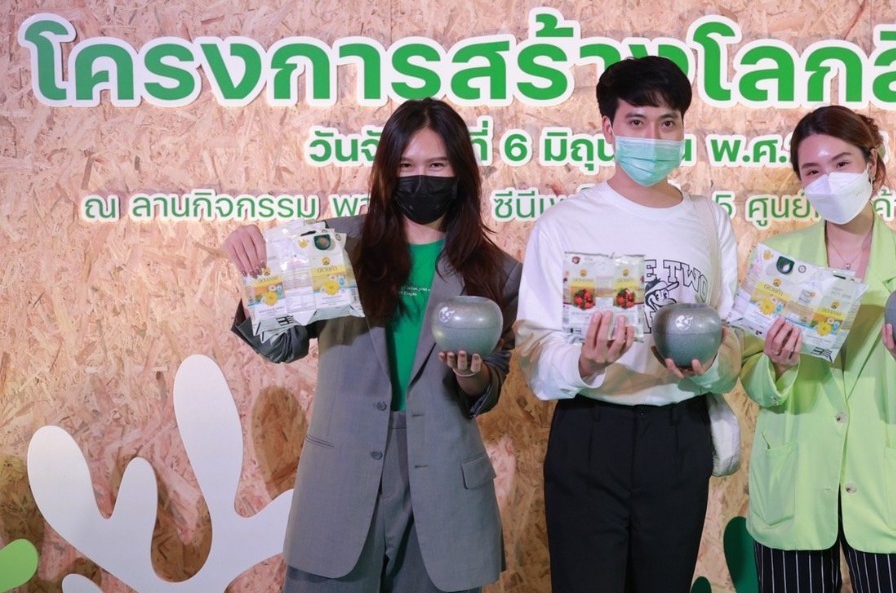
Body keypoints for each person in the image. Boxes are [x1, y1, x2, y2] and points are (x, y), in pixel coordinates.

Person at [222, 99, 521, 593]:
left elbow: (489, 389)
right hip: (339, 483)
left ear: (461, 172)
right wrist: (258, 275)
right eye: (405, 166)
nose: (420, 179)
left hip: (444, 490)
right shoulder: (334, 246)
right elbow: (283, 346)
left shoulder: (498, 272)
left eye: (436, 166)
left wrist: (472, 374)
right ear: (386, 170)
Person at [515, 56, 742, 593]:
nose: (653, 137)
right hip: (592, 431)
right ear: (608, 128)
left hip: (678, 432)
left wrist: (710, 365)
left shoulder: (709, 220)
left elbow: (731, 334)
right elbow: (533, 346)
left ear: (683, 128)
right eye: (636, 121)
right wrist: (584, 361)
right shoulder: (564, 223)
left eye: (668, 123)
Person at [739, 105, 896, 593]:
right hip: (794, 484)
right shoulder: (777, 262)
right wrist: (776, 366)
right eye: (812, 170)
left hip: (884, 490)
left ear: (871, 163)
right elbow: (752, 378)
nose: (828, 180)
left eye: (841, 163)